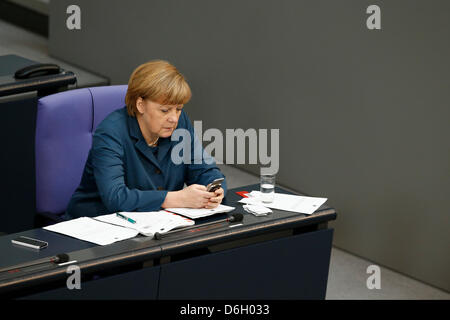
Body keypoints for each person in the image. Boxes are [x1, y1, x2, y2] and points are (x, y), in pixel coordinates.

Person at [66, 60, 226, 219]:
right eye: (165, 110)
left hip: (157, 223)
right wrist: (176, 198)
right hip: (97, 227)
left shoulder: (179, 122)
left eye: (178, 109)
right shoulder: (110, 133)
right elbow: (115, 197)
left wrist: (214, 189)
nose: (174, 118)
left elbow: (204, 169)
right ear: (140, 105)